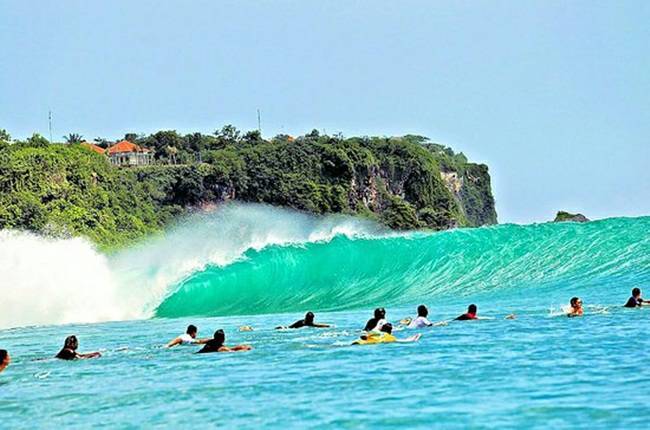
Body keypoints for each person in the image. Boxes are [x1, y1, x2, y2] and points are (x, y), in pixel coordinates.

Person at [353, 323, 421, 345]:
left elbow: (363, 336)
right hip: (367, 343)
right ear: (390, 331)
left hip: (358, 342)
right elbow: (403, 341)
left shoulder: (377, 333)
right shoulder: (390, 337)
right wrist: (415, 337)